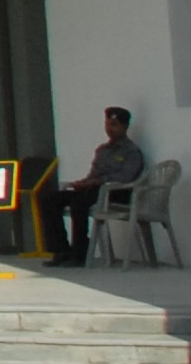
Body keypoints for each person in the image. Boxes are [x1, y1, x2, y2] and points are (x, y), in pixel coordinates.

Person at [42, 108, 148, 266]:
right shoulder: (102, 150)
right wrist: (81, 183)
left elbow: (126, 177)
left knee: (79, 202)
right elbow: (93, 175)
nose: (109, 129)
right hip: (94, 190)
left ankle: (80, 253)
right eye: (107, 124)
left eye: (114, 125)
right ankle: (60, 250)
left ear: (125, 127)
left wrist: (97, 182)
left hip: (117, 192)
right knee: (50, 199)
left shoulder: (131, 151)